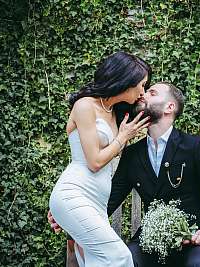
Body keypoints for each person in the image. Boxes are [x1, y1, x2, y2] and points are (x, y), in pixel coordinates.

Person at [49, 82, 200, 267]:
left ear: (169, 107)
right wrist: (69, 216)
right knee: (125, 261)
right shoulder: (132, 154)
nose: (143, 95)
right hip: (149, 242)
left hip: (193, 241)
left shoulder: (193, 147)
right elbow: (110, 200)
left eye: (152, 93)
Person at [48, 51, 151, 267]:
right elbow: (93, 162)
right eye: (141, 85)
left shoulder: (116, 111)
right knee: (119, 257)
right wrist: (122, 138)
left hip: (97, 200)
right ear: (125, 81)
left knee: (96, 261)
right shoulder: (85, 105)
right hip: (74, 193)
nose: (143, 91)